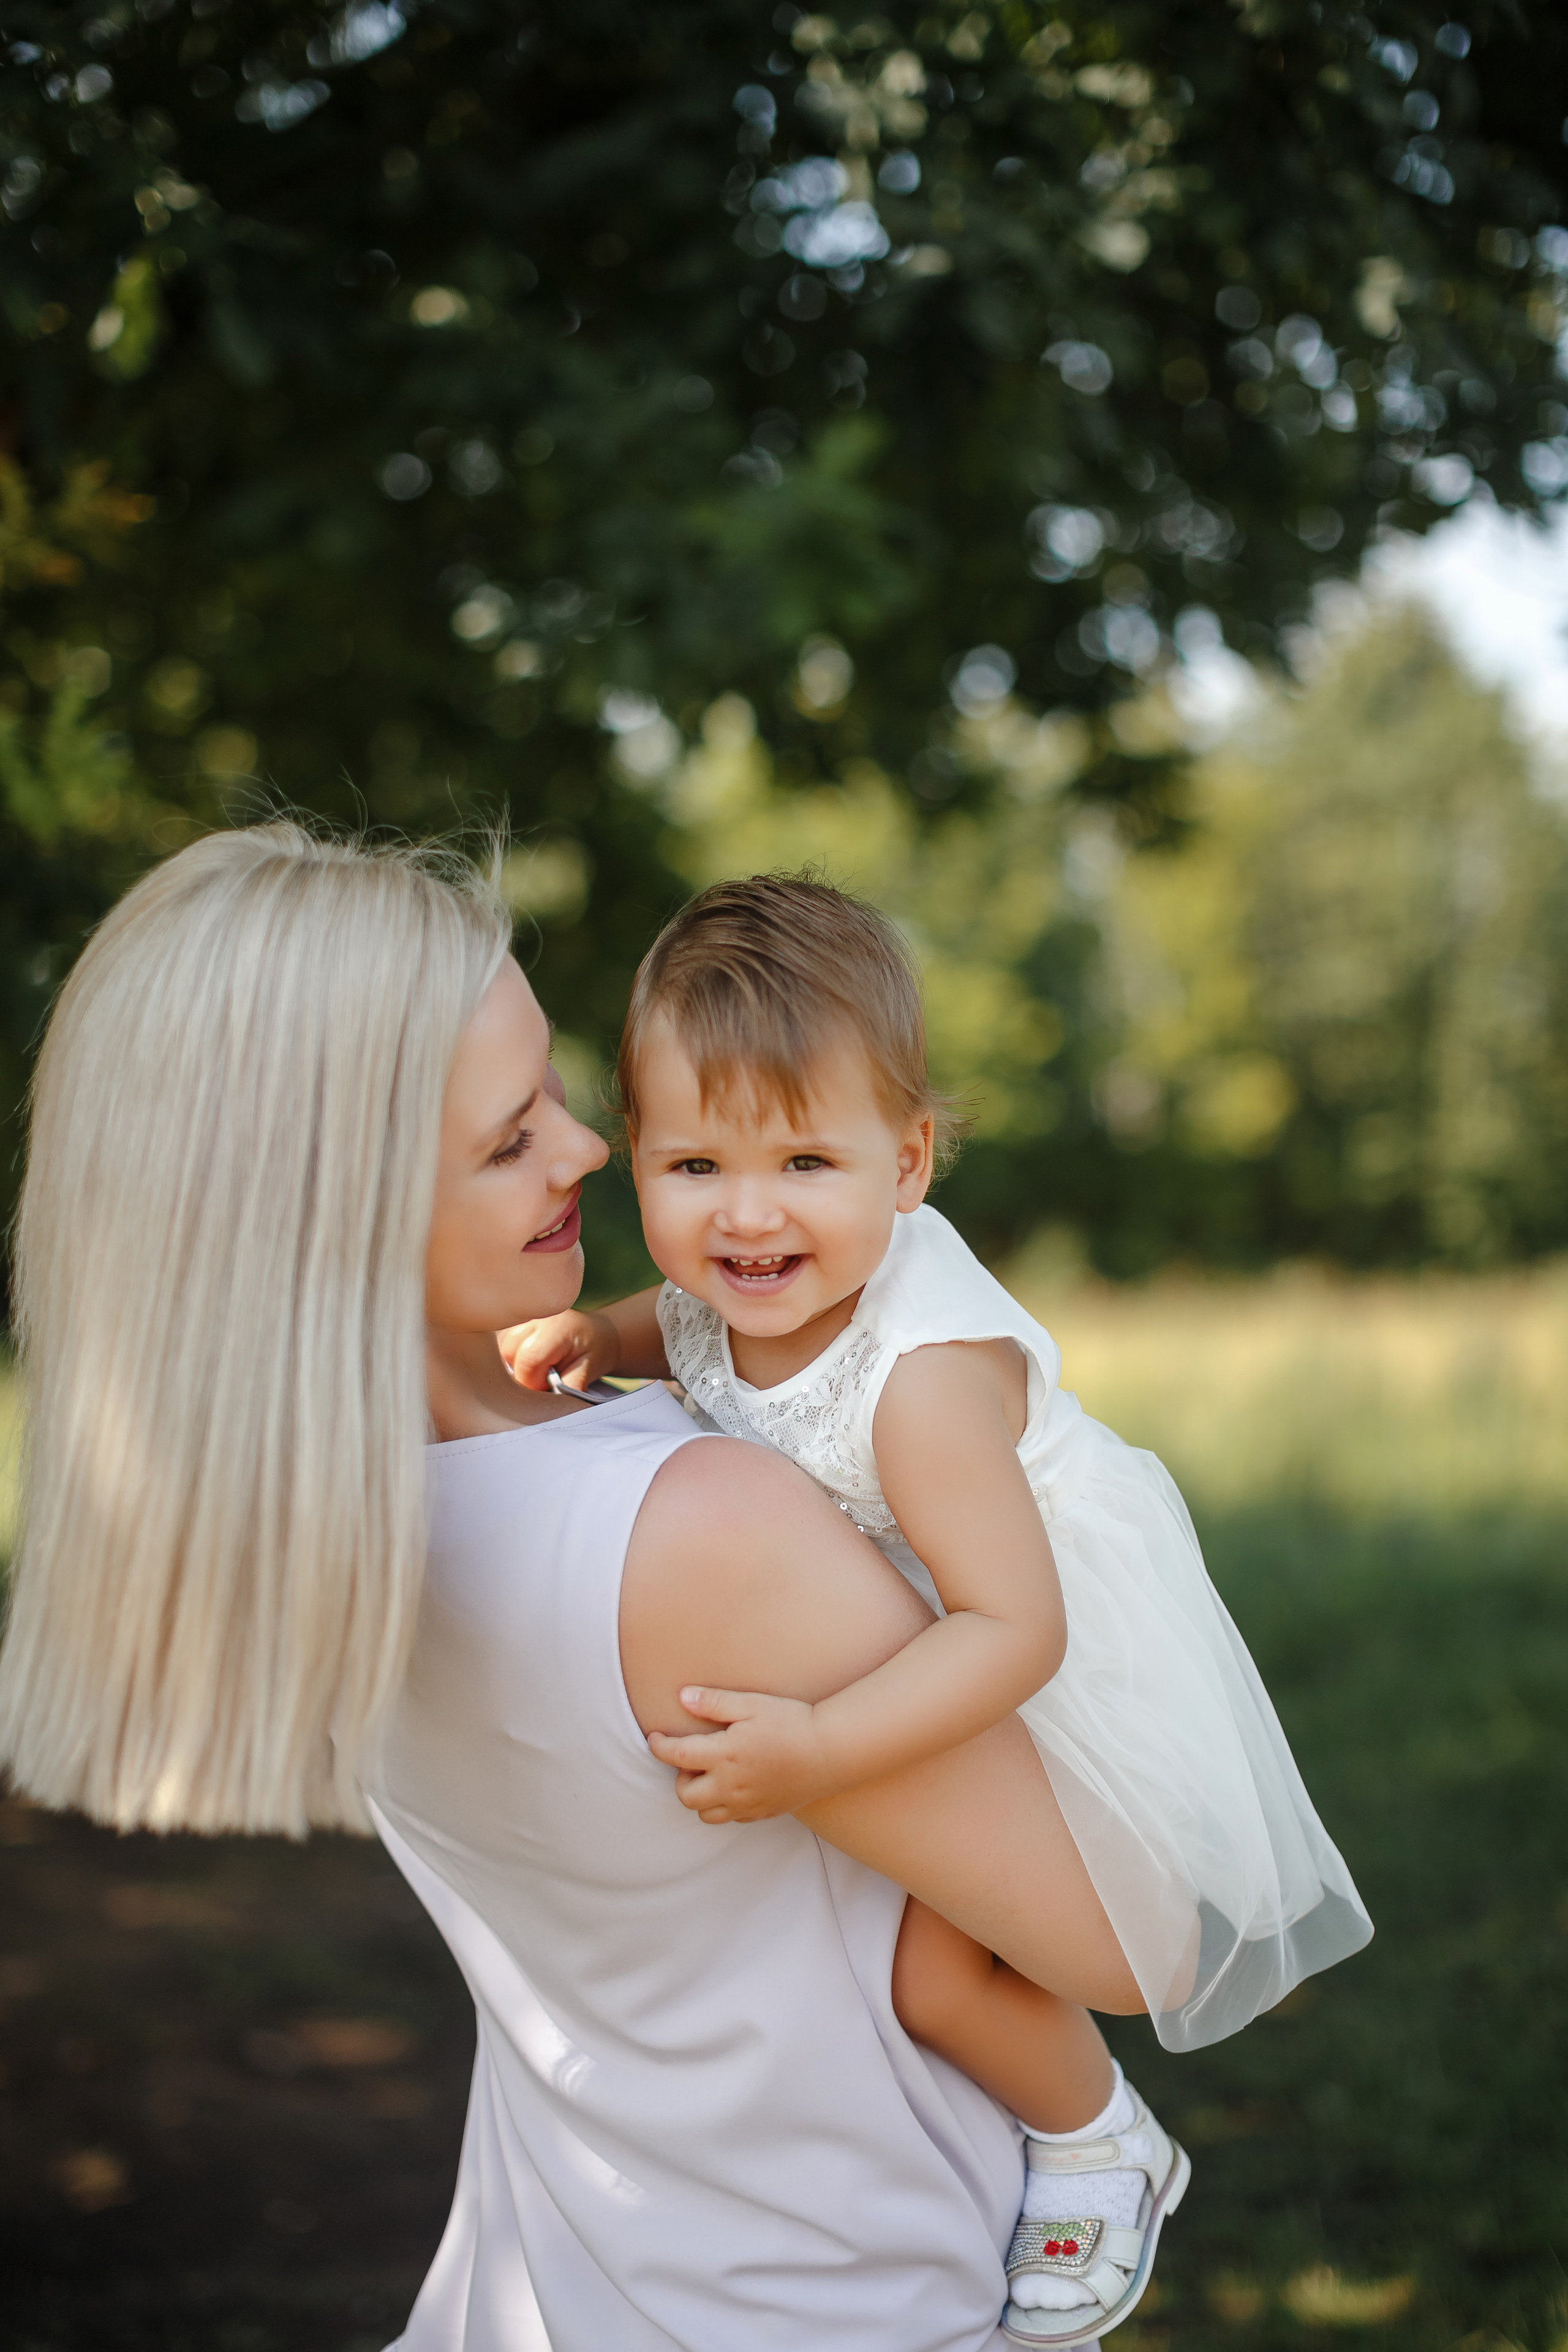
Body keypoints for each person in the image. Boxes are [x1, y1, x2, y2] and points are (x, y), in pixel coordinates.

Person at [1, 823, 1180, 2352]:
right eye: (508, 1139)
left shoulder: (325, 1541)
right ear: (334, 1219)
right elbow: (1131, 1940)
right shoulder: (690, 1532)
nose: (586, 1150)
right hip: (841, 2298)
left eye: (552, 1096)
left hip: (555, 2292)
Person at [507, 873, 1375, 2335]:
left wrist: (824, 1750)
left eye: (801, 1161)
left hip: (1042, 1672)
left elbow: (1012, 1632)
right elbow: (669, 1323)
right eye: (693, 1165)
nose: (747, 1213)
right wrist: (578, 1332)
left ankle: (1101, 2137)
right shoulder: (731, 1291)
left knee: (934, 1971)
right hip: (929, 1640)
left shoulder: (919, 1390)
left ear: (906, 1164)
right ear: (637, 1162)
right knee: (872, 1939)